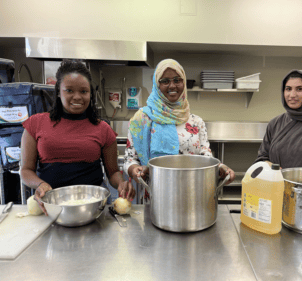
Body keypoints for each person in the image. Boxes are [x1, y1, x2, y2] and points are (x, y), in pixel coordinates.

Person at [20, 60, 134, 214]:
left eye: (84, 91)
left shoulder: (103, 129)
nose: (77, 97)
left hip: (92, 207)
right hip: (50, 207)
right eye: (69, 90)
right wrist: (40, 184)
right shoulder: (36, 124)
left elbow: (112, 173)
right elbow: (26, 171)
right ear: (58, 92)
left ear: (90, 94)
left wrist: (121, 183)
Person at [124, 59, 235, 196]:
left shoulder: (196, 122)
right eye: (165, 81)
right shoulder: (141, 120)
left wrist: (221, 168)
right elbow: (130, 160)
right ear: (156, 84)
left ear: (184, 82)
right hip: (156, 196)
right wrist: (135, 169)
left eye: (177, 80)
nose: (172, 86)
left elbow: (206, 158)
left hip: (193, 194)